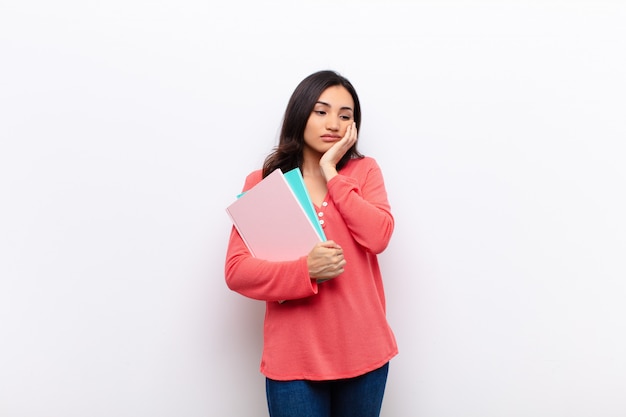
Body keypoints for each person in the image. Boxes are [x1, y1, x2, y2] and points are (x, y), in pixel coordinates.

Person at [225, 70, 398, 417]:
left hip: (364, 353)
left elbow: (378, 236)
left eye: (345, 115)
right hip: (293, 361)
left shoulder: (364, 172)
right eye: (321, 111)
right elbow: (237, 271)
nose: (333, 122)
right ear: (300, 114)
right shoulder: (264, 182)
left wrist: (332, 172)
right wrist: (305, 270)